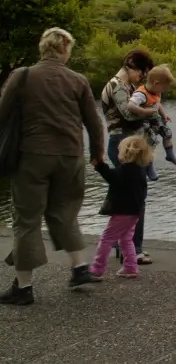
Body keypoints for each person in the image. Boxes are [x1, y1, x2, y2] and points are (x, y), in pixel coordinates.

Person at [0, 28, 106, 305]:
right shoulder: (77, 80)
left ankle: (24, 288)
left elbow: (2, 113)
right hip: (70, 157)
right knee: (64, 212)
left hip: (32, 156)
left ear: (43, 48)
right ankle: (79, 268)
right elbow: (94, 123)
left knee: (27, 220)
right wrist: (97, 154)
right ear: (64, 50)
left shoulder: (22, 76)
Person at [99, 48, 157, 265]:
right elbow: (128, 112)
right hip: (124, 144)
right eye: (142, 72)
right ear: (131, 65)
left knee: (124, 193)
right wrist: (152, 111)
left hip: (127, 143)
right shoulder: (117, 86)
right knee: (137, 194)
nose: (142, 77)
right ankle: (135, 248)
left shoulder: (128, 86)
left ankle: (120, 243)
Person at [89, 136, 153, 279]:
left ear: (126, 153)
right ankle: (130, 267)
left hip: (122, 212)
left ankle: (96, 269)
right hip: (134, 213)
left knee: (106, 238)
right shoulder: (140, 171)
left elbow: (111, 177)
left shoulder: (125, 170)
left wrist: (99, 165)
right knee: (126, 239)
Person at [132, 65, 176, 167]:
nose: (163, 91)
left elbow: (158, 104)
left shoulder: (156, 92)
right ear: (156, 83)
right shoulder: (141, 94)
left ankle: (170, 155)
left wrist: (164, 115)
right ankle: (149, 164)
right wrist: (145, 111)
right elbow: (131, 106)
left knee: (167, 133)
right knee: (152, 140)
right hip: (144, 120)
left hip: (155, 118)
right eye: (163, 88)